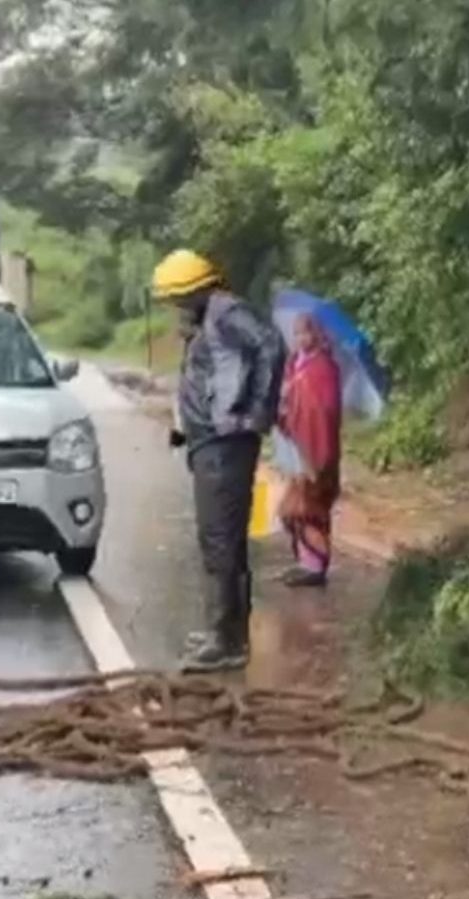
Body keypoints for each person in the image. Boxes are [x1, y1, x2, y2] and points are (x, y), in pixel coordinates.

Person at [155, 251, 285, 673]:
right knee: (219, 537)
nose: (174, 307)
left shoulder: (227, 311)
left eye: (176, 298)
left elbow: (271, 346)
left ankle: (225, 641)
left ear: (192, 289)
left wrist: (255, 414)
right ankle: (226, 632)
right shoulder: (208, 317)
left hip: (224, 444)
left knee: (220, 540)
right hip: (209, 443)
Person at [277, 314, 342, 588]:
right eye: (296, 333)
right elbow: (287, 399)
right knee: (293, 509)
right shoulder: (294, 363)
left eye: (306, 333)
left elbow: (325, 409)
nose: (301, 339)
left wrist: (299, 391)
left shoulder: (324, 367)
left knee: (309, 507)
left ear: (316, 335)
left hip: (317, 448)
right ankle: (305, 562)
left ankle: (316, 568)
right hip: (296, 446)